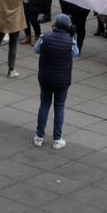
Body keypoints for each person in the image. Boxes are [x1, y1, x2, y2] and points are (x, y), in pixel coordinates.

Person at [33, 11, 78, 148]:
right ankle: (57, 139)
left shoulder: (45, 37)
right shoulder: (70, 41)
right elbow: (76, 53)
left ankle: (39, 136)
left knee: (44, 105)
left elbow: (36, 50)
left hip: (45, 78)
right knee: (59, 107)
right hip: (62, 81)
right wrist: (72, 37)